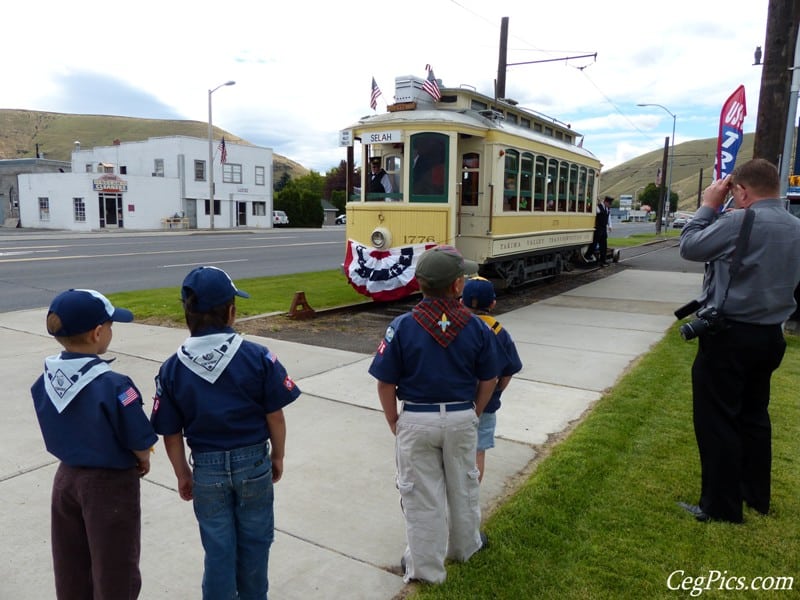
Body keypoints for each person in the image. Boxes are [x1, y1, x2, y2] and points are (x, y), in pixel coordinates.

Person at [150, 266, 301, 599]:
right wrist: (277, 454)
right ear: (231, 312)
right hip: (253, 463)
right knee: (256, 542)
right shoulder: (258, 356)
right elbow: (274, 414)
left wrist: (182, 474)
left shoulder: (172, 367)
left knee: (218, 548)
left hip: (207, 468)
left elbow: (171, 434)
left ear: (186, 311)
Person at [368, 245, 501, 584]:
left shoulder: (402, 326)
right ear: (458, 286)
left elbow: (385, 382)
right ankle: (465, 547)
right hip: (460, 416)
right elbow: (490, 377)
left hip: (416, 417)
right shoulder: (476, 328)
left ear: (421, 283)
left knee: (420, 495)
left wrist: (393, 420)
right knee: (464, 486)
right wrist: (476, 409)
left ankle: (426, 569)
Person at [678, 158, 800, 523]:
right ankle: (754, 495)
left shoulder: (738, 220)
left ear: (742, 192)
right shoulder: (796, 226)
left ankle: (719, 506)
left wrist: (708, 205)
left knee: (717, 419)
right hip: (770, 336)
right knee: (754, 415)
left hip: (730, 336)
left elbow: (690, 246)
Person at [31, 289, 157, 599]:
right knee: (115, 567)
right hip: (108, 486)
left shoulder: (45, 379)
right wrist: (143, 458)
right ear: (98, 333)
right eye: (111, 325)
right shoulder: (115, 385)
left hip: (65, 481)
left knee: (71, 564)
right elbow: (139, 439)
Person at [461, 277, 523, 481]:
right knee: (478, 452)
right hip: (486, 406)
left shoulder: (458, 329)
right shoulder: (500, 333)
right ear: (493, 303)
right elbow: (509, 370)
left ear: (461, 301)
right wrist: (496, 391)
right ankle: (471, 495)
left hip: (457, 401)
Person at [587, 195, 613, 266]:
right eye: (609, 204)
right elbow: (594, 212)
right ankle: (588, 255)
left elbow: (608, 217)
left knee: (604, 245)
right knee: (594, 243)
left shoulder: (607, 209)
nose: (609, 205)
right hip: (598, 228)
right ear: (605, 202)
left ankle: (603, 260)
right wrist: (598, 201)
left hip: (604, 228)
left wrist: (610, 226)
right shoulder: (598, 207)